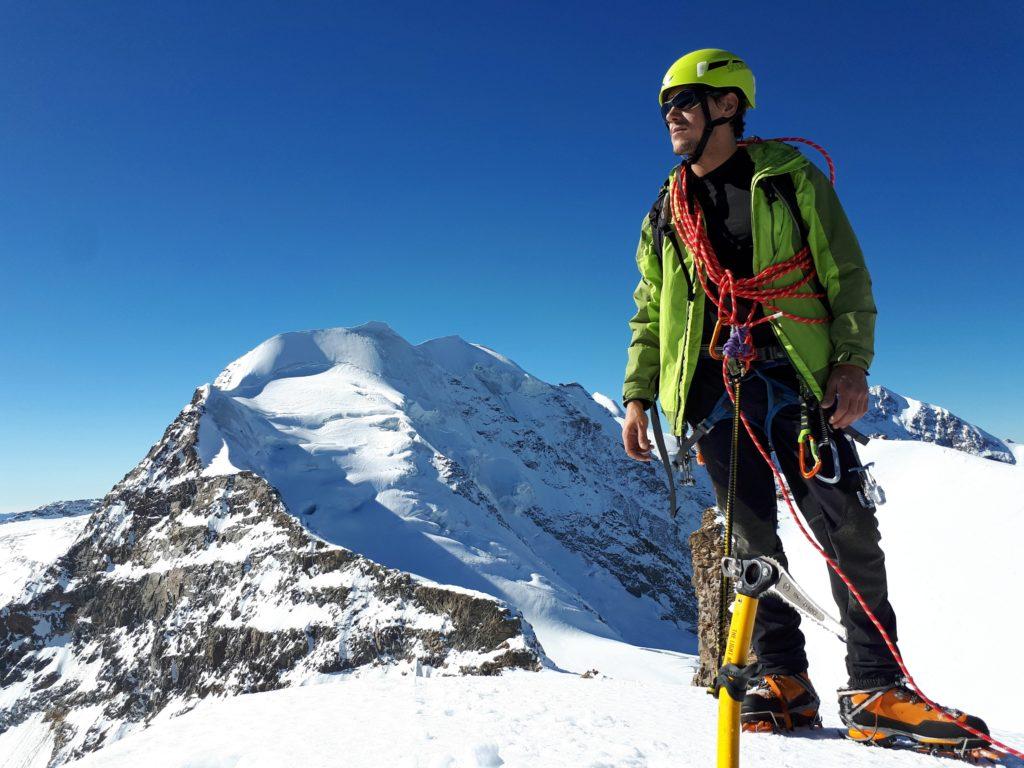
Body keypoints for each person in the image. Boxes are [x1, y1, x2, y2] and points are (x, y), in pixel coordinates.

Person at [620, 48, 988, 749]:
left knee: (845, 525)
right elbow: (650, 311)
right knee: (752, 546)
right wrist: (639, 394)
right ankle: (784, 682)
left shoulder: (787, 179)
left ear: (729, 106)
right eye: (667, 104)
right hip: (711, 393)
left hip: (793, 381)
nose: (672, 114)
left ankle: (877, 686)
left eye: (687, 101)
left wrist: (851, 364)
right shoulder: (667, 208)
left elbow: (844, 273)